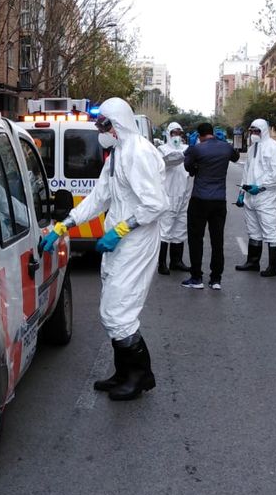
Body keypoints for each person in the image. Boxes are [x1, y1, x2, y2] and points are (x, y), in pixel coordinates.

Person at [39, 97, 167, 401]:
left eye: (104, 124)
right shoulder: (118, 155)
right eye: (99, 124)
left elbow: (157, 204)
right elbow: (99, 198)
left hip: (136, 241)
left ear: (119, 123)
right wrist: (64, 225)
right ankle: (124, 373)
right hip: (119, 241)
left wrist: (122, 229)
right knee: (112, 310)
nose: (100, 130)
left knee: (119, 311)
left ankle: (139, 376)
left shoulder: (138, 153)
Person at [181, 122, 240, 291]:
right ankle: (216, 279)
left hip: (199, 199)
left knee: (196, 239)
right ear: (214, 133)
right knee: (217, 240)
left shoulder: (197, 149)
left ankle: (196, 277)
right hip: (219, 201)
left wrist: (192, 152)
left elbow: (188, 167)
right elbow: (235, 157)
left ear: (199, 135)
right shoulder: (225, 147)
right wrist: (225, 145)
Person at [235, 118, 276, 276]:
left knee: (270, 230)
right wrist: (242, 192)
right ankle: (253, 262)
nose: (253, 134)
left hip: (266, 198)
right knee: (253, 231)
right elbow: (247, 172)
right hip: (251, 196)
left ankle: (273, 267)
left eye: (256, 131)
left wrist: (262, 186)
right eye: (251, 131)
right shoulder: (252, 149)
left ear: (264, 131)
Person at [156, 122, 192, 274]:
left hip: (184, 194)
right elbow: (165, 163)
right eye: (173, 133)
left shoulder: (187, 149)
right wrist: (181, 156)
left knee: (180, 228)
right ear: (168, 134)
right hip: (168, 194)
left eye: (179, 133)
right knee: (165, 229)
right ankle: (162, 263)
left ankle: (176, 261)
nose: (176, 136)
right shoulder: (161, 150)